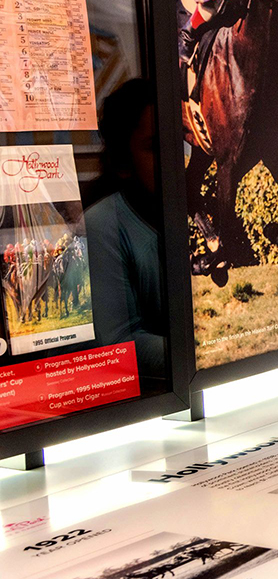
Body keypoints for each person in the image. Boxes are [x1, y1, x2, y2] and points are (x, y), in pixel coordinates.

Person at [85, 79, 166, 378]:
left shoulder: (187, 215)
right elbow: (118, 345)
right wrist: (209, 347)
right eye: (155, 146)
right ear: (123, 160)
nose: (173, 158)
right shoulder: (102, 226)